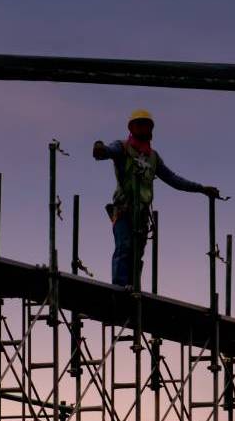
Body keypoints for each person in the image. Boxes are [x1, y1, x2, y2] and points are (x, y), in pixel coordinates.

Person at [93, 109, 220, 288]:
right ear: (132, 128)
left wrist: (200, 188)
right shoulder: (122, 147)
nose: (143, 128)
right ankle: (119, 289)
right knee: (124, 247)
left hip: (142, 214)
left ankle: (132, 287)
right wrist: (101, 149)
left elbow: (173, 179)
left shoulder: (153, 157)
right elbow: (108, 151)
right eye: (139, 125)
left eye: (146, 125)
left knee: (137, 254)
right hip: (123, 209)